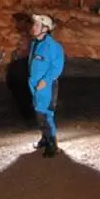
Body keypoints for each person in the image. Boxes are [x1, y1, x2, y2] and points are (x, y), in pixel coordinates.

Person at [27, 13, 64, 157]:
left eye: (36, 25)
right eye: (34, 24)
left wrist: (45, 80)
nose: (33, 27)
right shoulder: (35, 43)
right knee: (38, 113)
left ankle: (52, 144)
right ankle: (45, 138)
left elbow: (57, 67)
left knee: (45, 115)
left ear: (45, 28)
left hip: (46, 86)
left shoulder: (53, 46)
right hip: (35, 84)